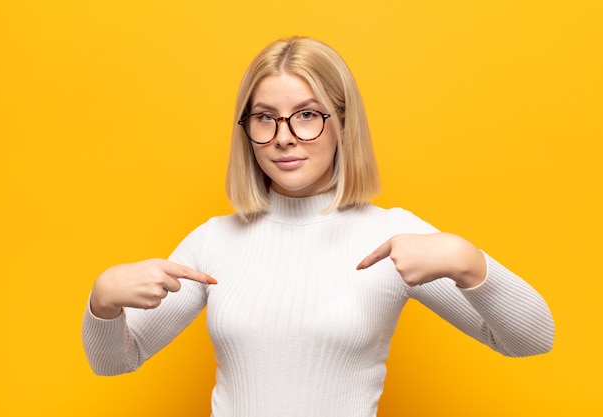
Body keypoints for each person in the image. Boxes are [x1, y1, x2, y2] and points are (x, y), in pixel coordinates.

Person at [82, 37, 554, 417]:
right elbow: (116, 362)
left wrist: (469, 263)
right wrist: (102, 301)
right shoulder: (213, 240)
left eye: (307, 115)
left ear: (343, 124)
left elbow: (532, 341)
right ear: (246, 131)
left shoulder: (389, 236)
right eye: (265, 118)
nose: (284, 136)